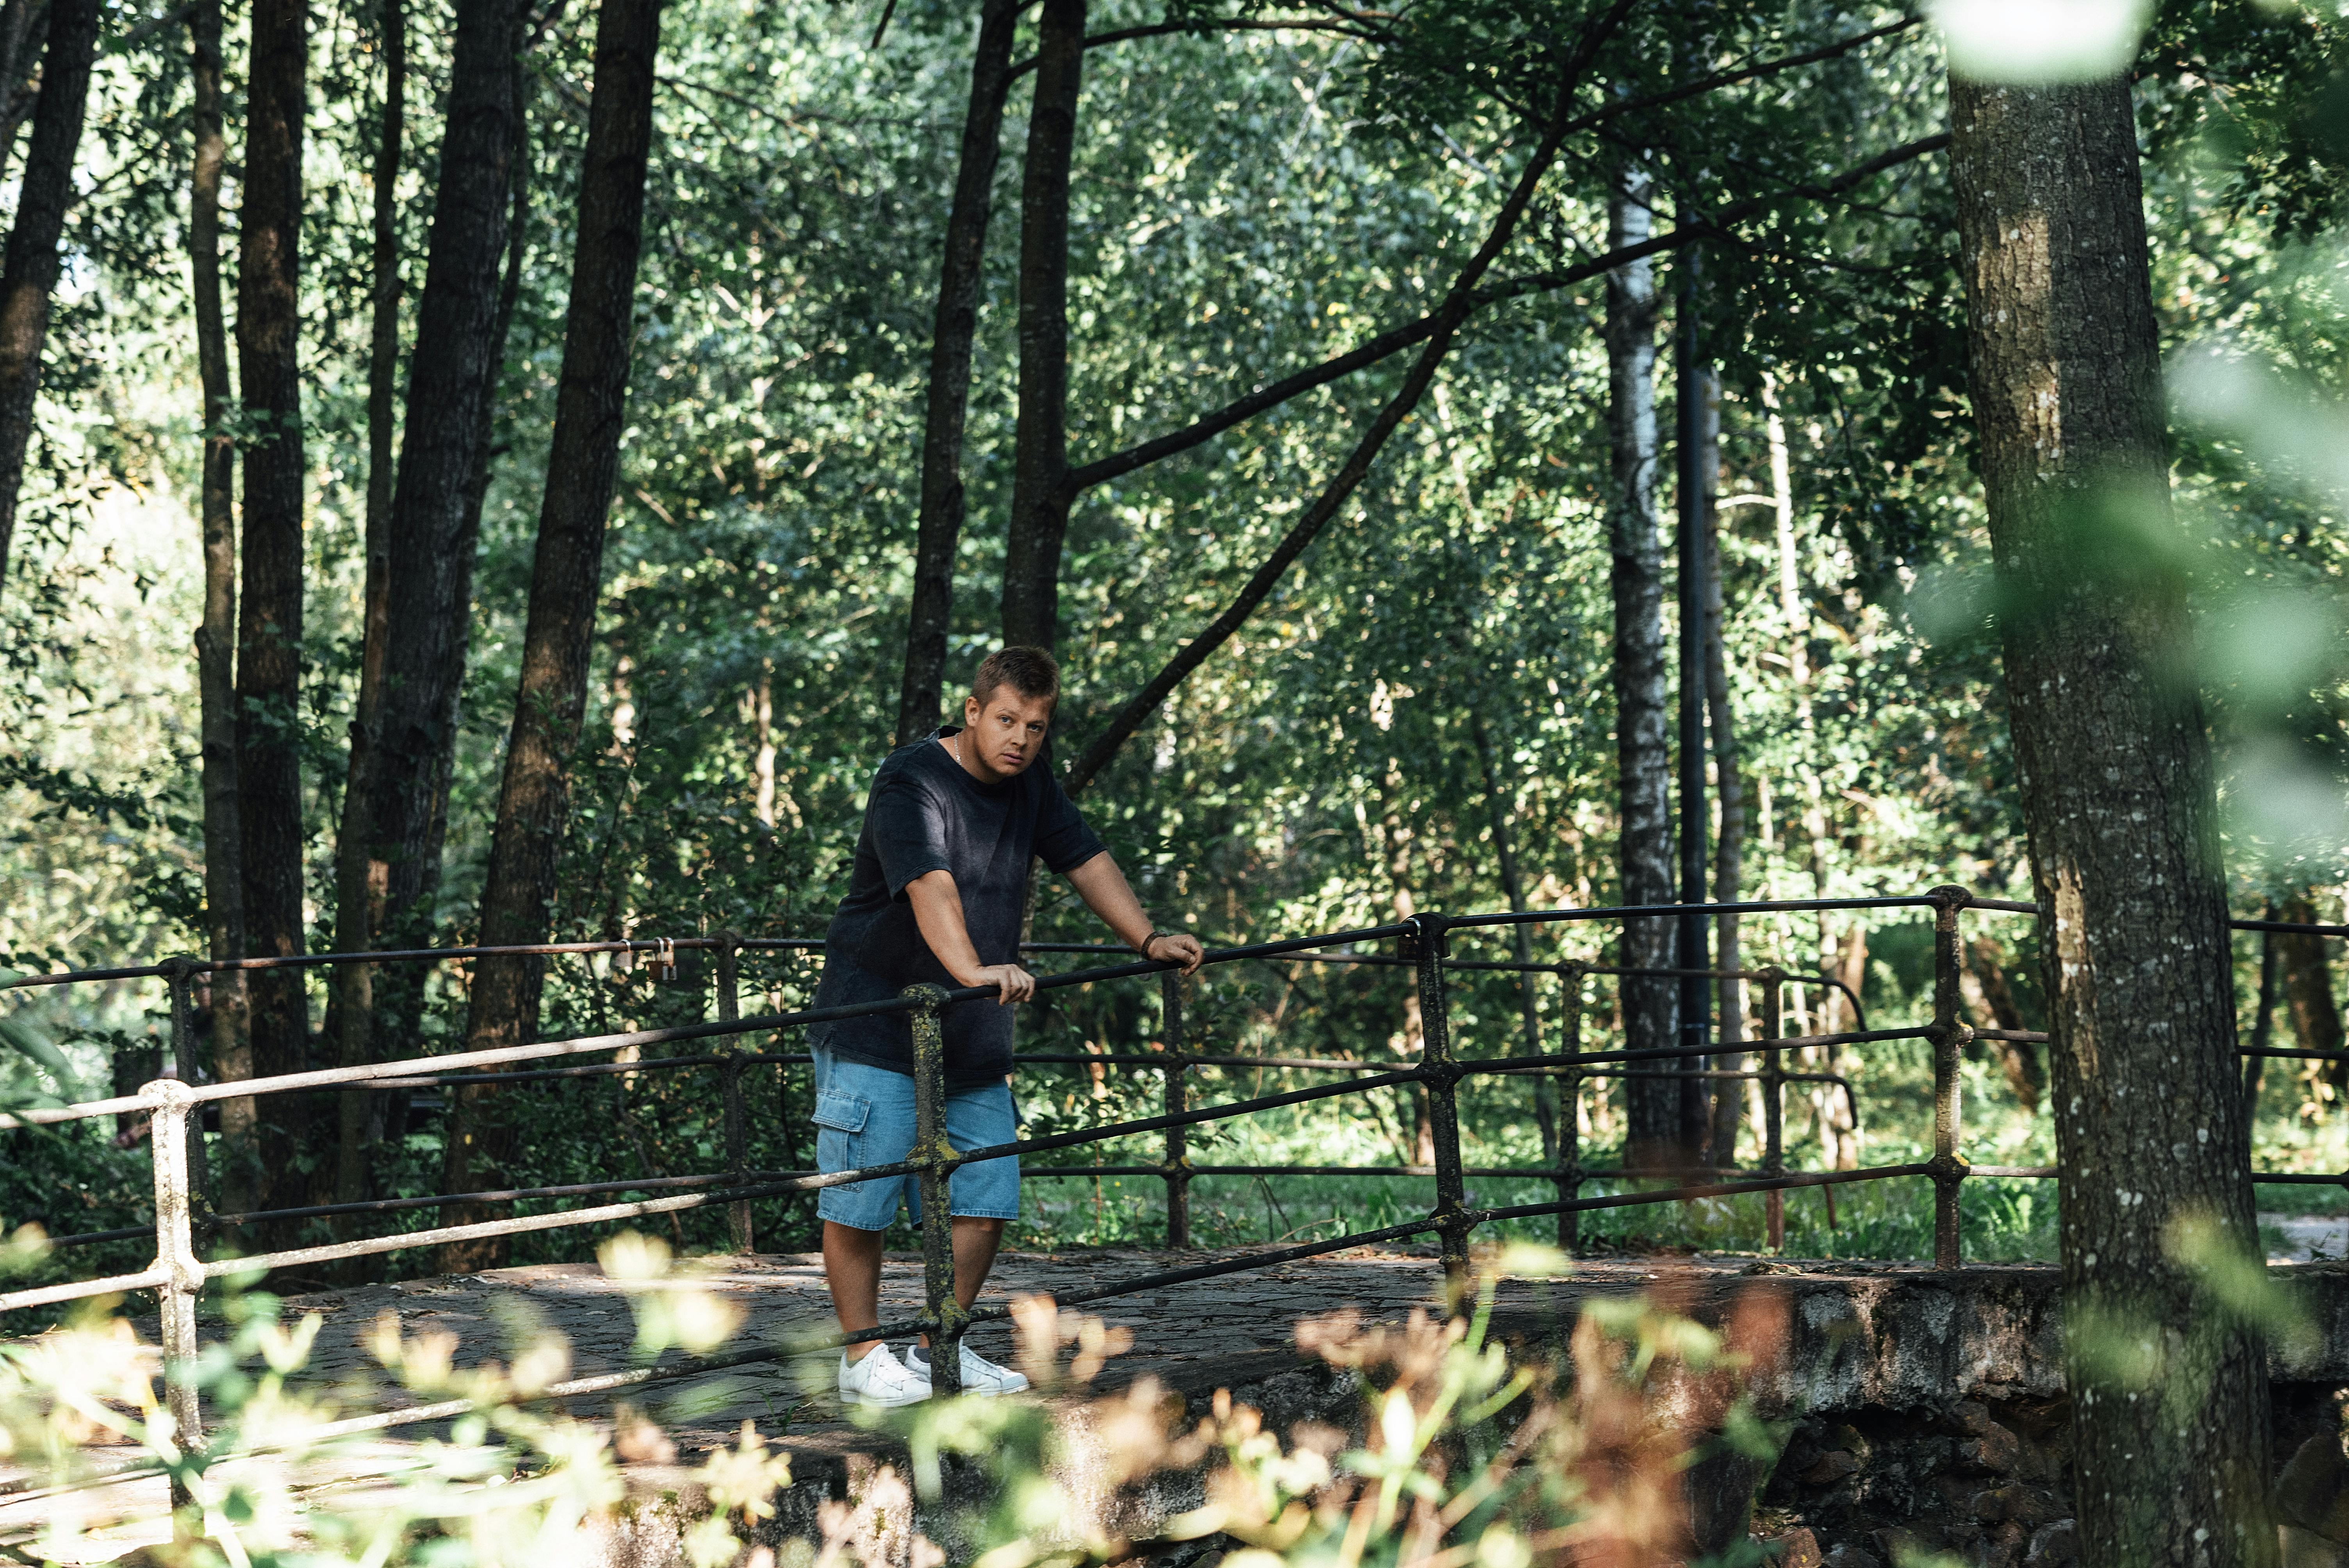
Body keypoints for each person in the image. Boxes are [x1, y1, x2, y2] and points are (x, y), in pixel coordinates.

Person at [809, 645, 1204, 1406]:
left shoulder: (1030, 786)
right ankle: (861, 1359)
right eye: (1006, 720)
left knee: (985, 1197)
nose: (1020, 738)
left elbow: (1084, 858)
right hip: (876, 1020)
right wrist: (968, 969)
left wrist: (1147, 939)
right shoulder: (910, 780)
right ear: (972, 711)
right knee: (862, 1197)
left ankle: (934, 1347)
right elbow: (929, 884)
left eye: (1036, 725)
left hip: (970, 1033)